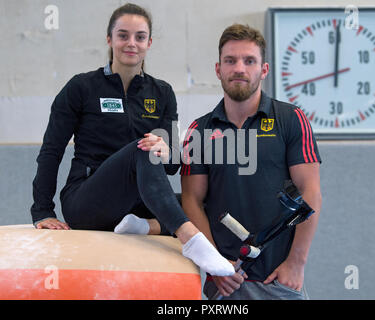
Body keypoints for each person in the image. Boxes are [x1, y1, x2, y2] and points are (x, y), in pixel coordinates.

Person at [30, 3, 234, 277]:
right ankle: (192, 240)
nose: (131, 43)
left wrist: (167, 151)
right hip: (87, 200)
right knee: (143, 148)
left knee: (207, 202)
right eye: (123, 35)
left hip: (137, 205)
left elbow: (172, 164)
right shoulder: (82, 87)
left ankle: (144, 226)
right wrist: (42, 211)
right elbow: (51, 150)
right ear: (109, 39)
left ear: (149, 43)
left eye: (139, 37)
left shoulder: (162, 93)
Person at [180, 24, 322, 300]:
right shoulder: (199, 130)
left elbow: (311, 192)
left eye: (249, 61)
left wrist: (296, 263)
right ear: (218, 69)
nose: (239, 69)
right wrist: (214, 265)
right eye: (230, 61)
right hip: (225, 282)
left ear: (264, 70)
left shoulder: (291, 119)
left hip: (279, 281)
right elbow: (191, 201)